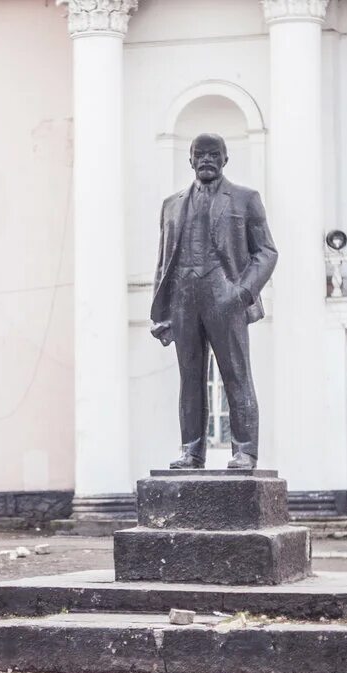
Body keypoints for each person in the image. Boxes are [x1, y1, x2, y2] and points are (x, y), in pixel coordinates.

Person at [150, 133, 278, 469]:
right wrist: (161, 310)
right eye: (200, 154)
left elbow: (266, 252)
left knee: (236, 375)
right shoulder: (171, 204)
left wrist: (242, 293)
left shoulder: (245, 199)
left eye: (214, 154)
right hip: (182, 298)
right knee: (189, 379)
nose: (207, 160)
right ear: (190, 160)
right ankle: (191, 451)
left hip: (226, 296)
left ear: (225, 159)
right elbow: (164, 261)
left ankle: (245, 451)